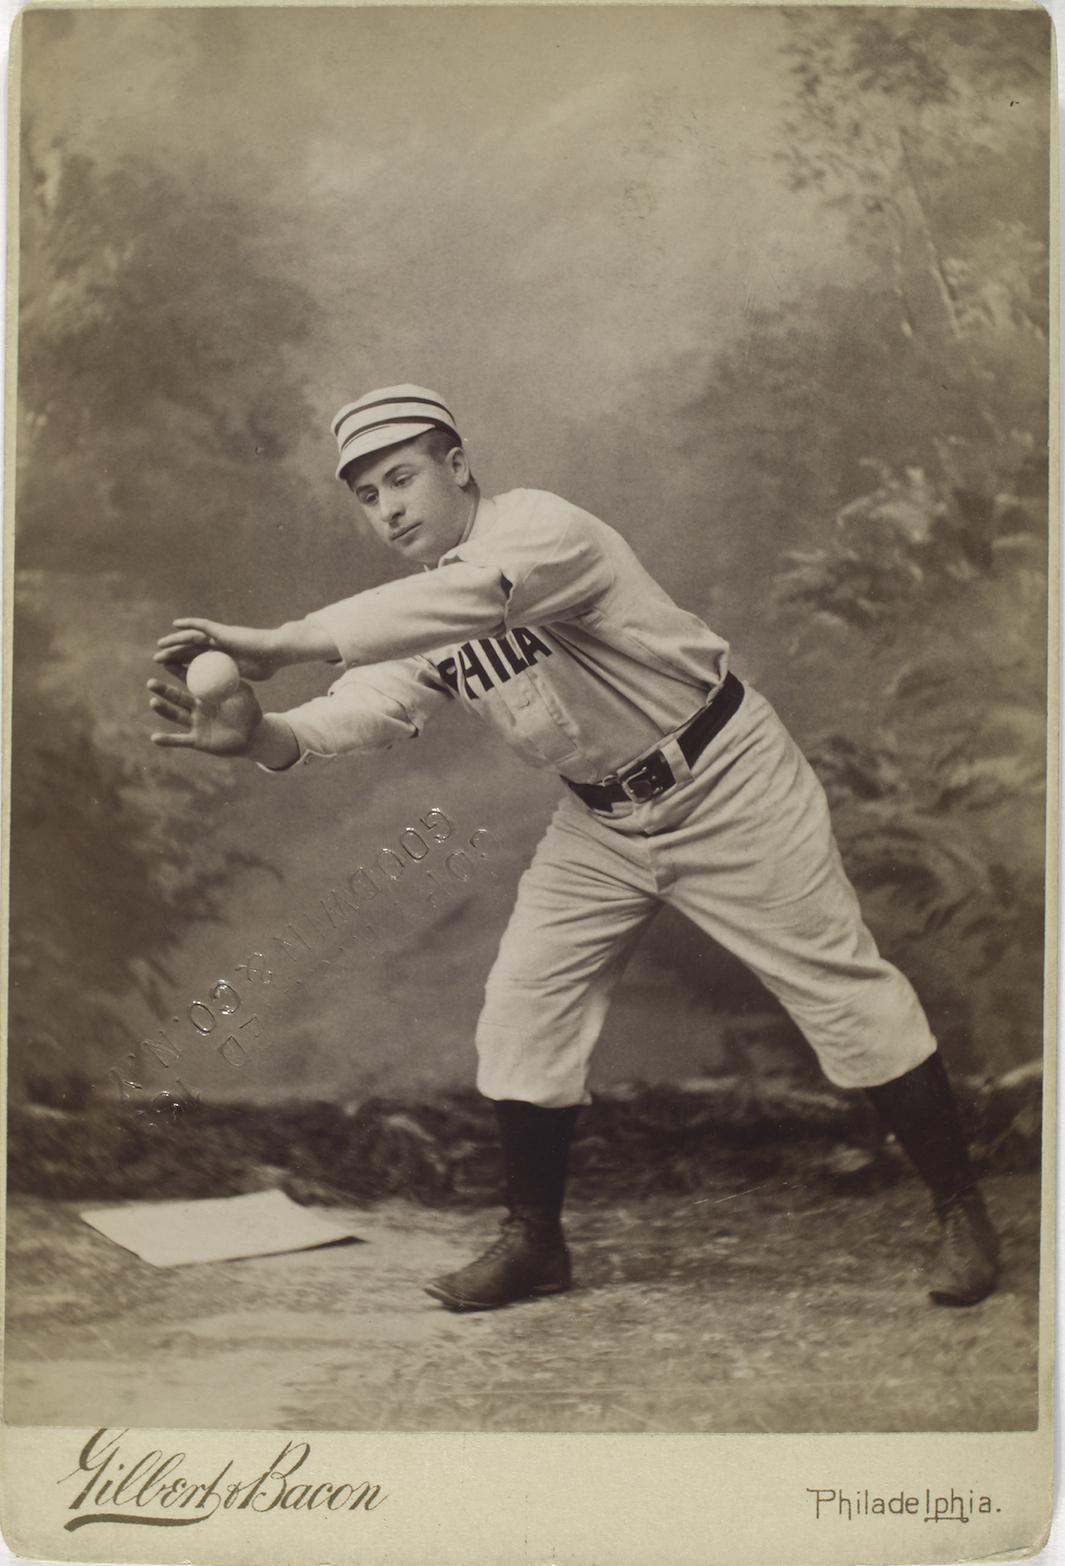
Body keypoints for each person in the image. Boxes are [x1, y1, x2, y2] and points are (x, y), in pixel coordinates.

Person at [149, 383, 1001, 1312]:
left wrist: (285, 640)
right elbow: (375, 705)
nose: (389, 506)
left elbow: (474, 597)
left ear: (458, 465)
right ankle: (533, 1242)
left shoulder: (543, 531)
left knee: (839, 990)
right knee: (524, 1005)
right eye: (367, 495)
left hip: (726, 780)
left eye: (403, 477)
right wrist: (262, 735)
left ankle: (960, 1210)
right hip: (601, 819)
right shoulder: (421, 604)